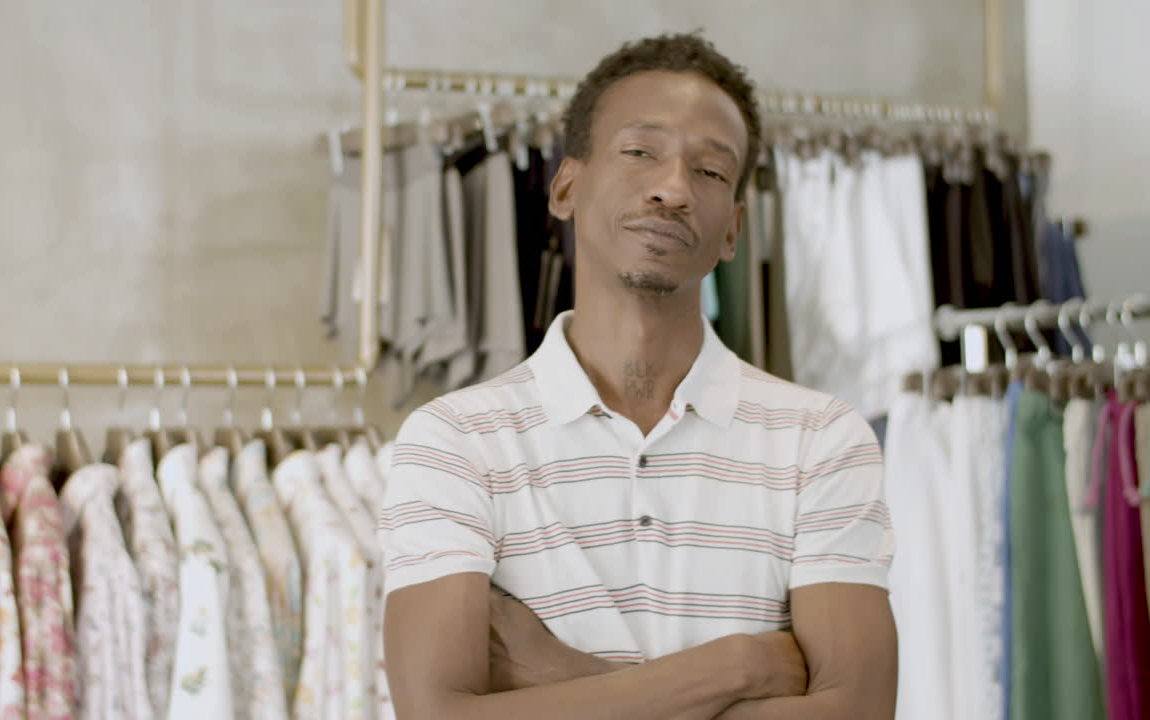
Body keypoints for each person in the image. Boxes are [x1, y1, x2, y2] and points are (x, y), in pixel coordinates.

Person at [379, 32, 897, 720]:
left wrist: (556, 672)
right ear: (566, 186)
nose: (673, 189)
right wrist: (737, 667)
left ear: (734, 229)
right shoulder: (453, 442)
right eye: (639, 152)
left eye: (710, 171)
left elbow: (857, 712)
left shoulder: (822, 440)